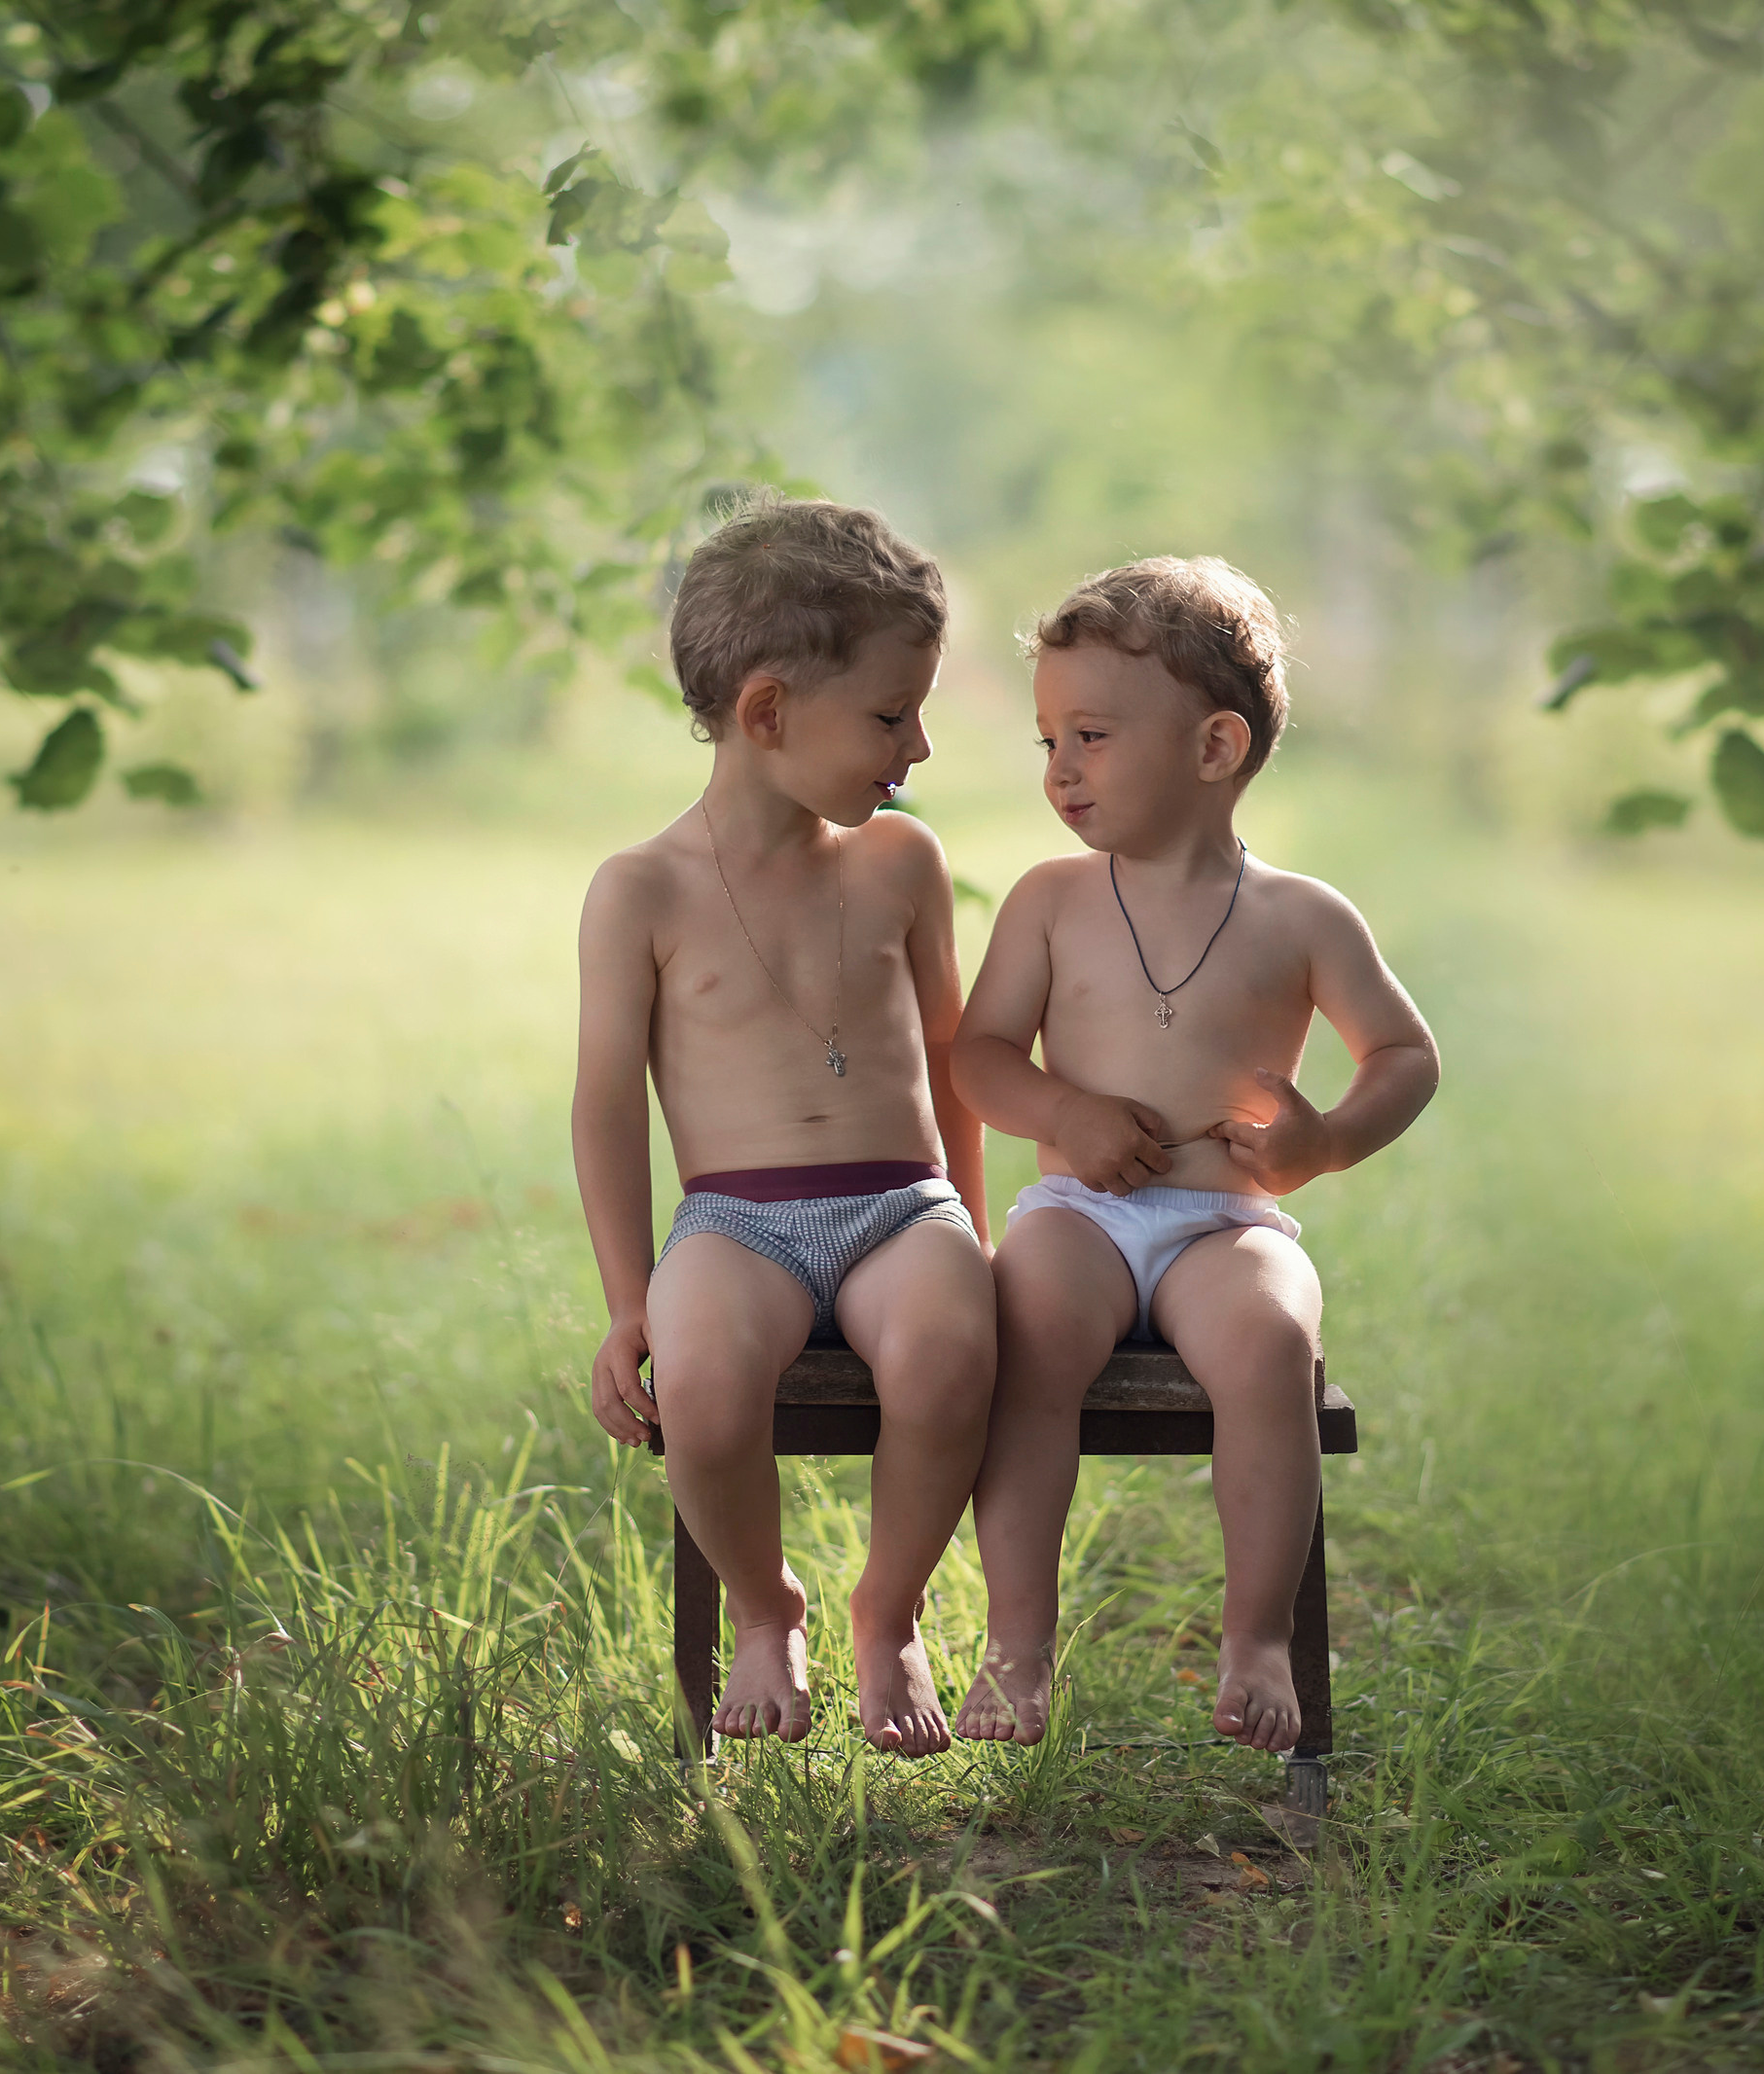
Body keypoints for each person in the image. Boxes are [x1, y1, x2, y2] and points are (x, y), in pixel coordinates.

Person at [949, 555, 1439, 1752]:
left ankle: (1255, 1635)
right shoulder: (1051, 901)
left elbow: (1405, 1055)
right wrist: (1061, 1111)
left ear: (1214, 749)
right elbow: (980, 1054)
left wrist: (1321, 1141)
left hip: (1225, 1223)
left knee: (1272, 1340)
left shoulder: (1302, 916)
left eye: (1093, 734)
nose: (1060, 768)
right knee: (1029, 1331)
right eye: (1048, 737)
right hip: (1083, 1213)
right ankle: (1017, 1644)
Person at [572, 495, 995, 1757]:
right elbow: (604, 1104)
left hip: (898, 1207)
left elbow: (955, 1065)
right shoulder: (642, 892)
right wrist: (628, 1296)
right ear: (766, 714)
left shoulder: (900, 865)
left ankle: (889, 1611)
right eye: (887, 714)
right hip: (736, 1225)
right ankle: (767, 1609)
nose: (916, 744)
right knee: (698, 1387)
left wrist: (967, 1229)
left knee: (945, 1351)